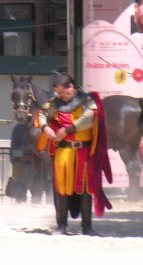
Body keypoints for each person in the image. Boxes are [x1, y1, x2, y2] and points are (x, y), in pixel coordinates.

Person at [37, 73, 107, 236]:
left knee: (85, 188)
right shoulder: (55, 103)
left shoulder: (87, 101)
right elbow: (42, 114)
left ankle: (87, 226)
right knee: (62, 187)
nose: (61, 96)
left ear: (71, 88)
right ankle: (61, 225)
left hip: (84, 150)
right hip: (64, 151)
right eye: (58, 94)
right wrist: (45, 127)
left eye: (63, 93)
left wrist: (67, 130)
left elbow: (89, 118)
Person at [8, 123, 32, 203]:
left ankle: (21, 198)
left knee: (24, 180)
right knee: (19, 179)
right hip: (18, 160)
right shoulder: (18, 128)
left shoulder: (25, 128)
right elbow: (14, 147)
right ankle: (19, 198)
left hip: (27, 161)